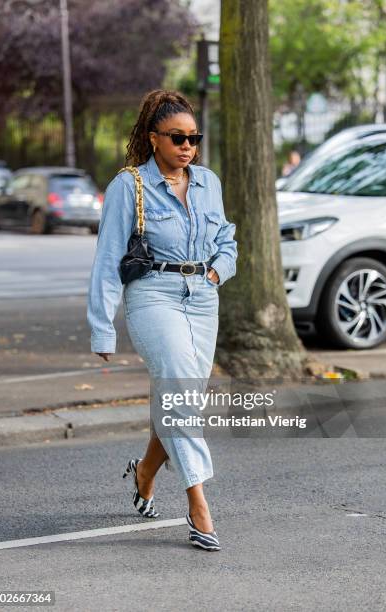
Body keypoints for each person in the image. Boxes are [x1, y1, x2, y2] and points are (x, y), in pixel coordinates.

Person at [87, 89, 238, 551]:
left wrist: (217, 270)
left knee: (180, 397)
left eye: (194, 137)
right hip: (153, 295)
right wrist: (102, 325)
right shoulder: (127, 185)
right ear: (155, 139)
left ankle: (147, 470)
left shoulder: (209, 182)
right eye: (177, 137)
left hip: (202, 297)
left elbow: (227, 238)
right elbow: (108, 258)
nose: (188, 145)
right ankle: (199, 505)